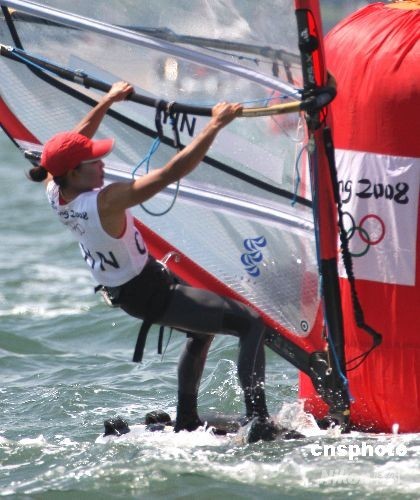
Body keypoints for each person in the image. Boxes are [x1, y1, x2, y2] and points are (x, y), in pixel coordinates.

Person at [28, 81, 278, 442]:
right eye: (94, 161)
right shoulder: (106, 202)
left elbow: (69, 144)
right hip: (149, 292)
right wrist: (216, 125)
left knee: (202, 330)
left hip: (134, 286)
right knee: (250, 324)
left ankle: (187, 417)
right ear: (74, 173)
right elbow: (171, 172)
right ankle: (259, 421)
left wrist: (107, 101)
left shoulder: (55, 189)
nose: (102, 163)